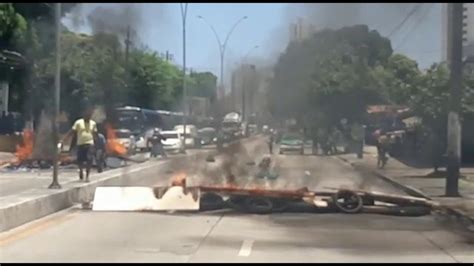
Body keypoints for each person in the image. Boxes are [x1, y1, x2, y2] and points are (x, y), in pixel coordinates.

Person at [61, 108, 98, 182]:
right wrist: (64, 139)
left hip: (90, 143)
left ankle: (87, 176)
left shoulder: (93, 123)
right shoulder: (78, 123)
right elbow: (72, 131)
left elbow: (95, 134)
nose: (88, 117)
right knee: (80, 160)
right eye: (87, 115)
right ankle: (81, 171)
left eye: (90, 116)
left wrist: (96, 143)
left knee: (89, 159)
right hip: (81, 143)